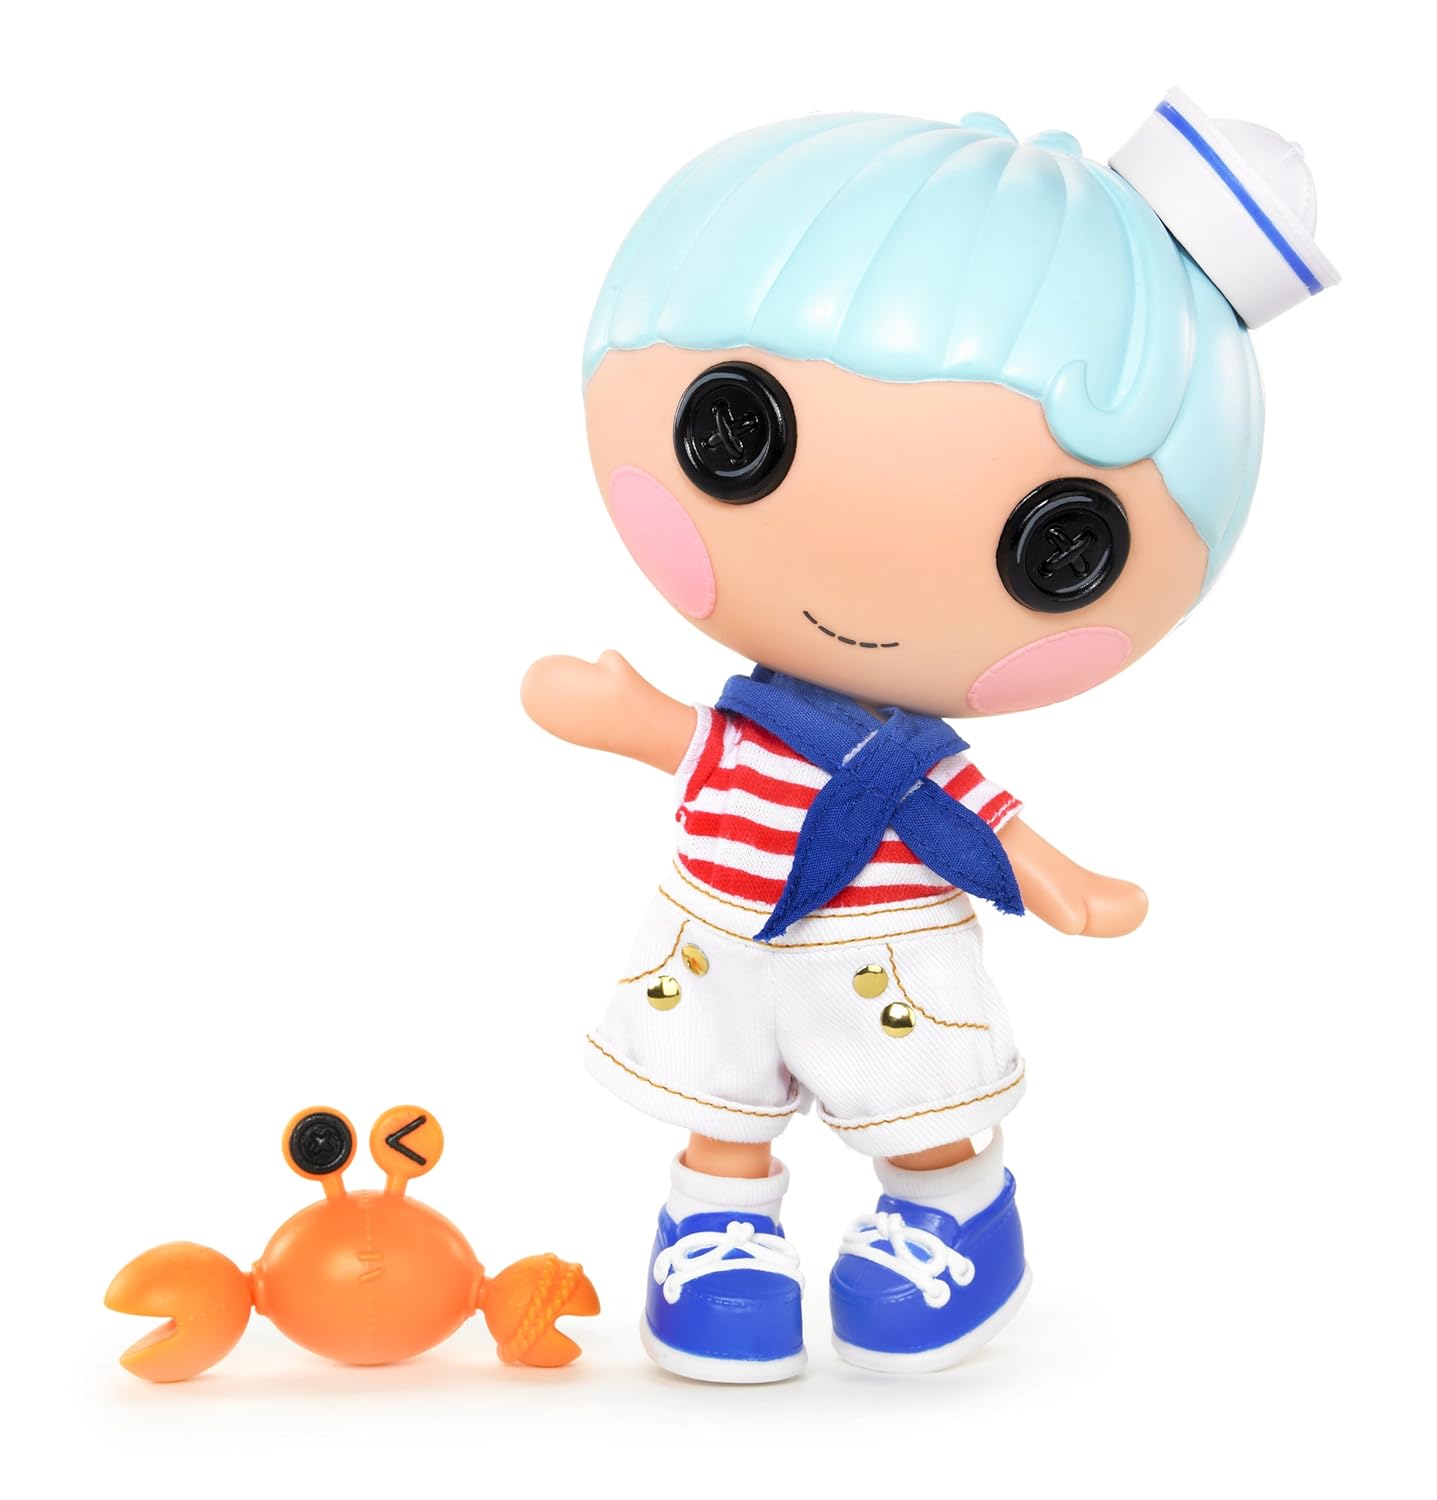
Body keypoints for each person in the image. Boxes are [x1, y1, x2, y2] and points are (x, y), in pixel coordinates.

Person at [523, 94, 1337, 1382]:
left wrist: (1056, 878)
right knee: (720, 1090)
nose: (861, 564)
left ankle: (956, 1209)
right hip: (726, 933)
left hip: (884, 950)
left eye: (1056, 544)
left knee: (919, 1104)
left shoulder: (918, 767)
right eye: (743, 437)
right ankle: (718, 1218)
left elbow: (976, 820)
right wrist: (626, 718)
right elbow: (696, 747)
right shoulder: (751, 722)